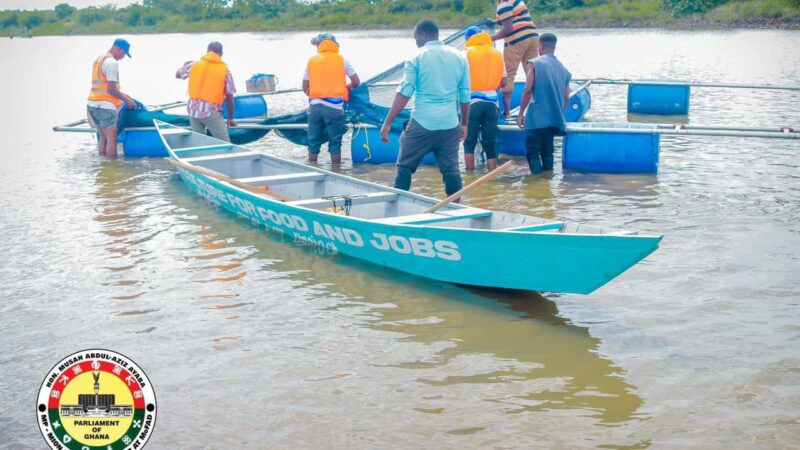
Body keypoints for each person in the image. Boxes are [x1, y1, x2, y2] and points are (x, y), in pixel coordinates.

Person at [380, 19, 470, 197]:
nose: (416, 43)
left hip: (422, 123)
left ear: (423, 35)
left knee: (404, 165)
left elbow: (405, 92)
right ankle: (456, 209)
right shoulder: (460, 57)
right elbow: (465, 96)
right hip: (450, 125)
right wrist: (464, 124)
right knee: (451, 170)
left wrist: (388, 122)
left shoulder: (417, 57)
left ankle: (399, 204)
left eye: (416, 39)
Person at [516, 33, 571, 174]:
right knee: (548, 153)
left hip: (536, 118)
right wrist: (559, 112)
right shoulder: (564, 70)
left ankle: (536, 184)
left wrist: (521, 114)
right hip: (554, 119)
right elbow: (567, 97)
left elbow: (528, 90)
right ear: (554, 46)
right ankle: (547, 184)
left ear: (541, 46)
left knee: (532, 153)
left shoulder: (534, 63)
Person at [303, 33, 360, 164]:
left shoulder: (311, 61)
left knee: (313, 142)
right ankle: (336, 171)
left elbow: (304, 86)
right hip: (335, 108)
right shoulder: (342, 61)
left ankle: (312, 169)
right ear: (335, 45)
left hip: (315, 107)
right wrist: (347, 87)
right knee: (335, 143)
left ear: (319, 45)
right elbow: (356, 81)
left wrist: (316, 97)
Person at [463, 25, 506, 171]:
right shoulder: (497, 54)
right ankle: (491, 178)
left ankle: (469, 177)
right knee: (490, 143)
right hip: (492, 103)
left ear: (469, 39)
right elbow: (504, 82)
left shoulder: (466, 53)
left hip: (473, 102)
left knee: (469, 142)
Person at [175, 41, 237, 142]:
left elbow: (177, 75)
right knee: (224, 141)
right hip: (209, 111)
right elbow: (230, 97)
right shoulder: (225, 70)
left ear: (207, 51)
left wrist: (184, 66)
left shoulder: (194, 64)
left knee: (199, 141)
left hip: (192, 109)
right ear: (221, 54)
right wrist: (230, 118)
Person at [87, 38, 137, 158]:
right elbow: (111, 89)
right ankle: (112, 167)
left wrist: (124, 95)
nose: (123, 57)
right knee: (112, 139)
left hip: (92, 104)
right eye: (124, 54)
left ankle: (104, 164)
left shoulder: (99, 59)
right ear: (119, 49)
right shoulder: (112, 63)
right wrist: (127, 100)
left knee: (102, 136)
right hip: (105, 106)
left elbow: (104, 85)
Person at [492, 0, 539, 120]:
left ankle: (506, 113)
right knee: (533, 72)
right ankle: (537, 108)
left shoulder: (503, 2)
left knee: (509, 74)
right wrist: (494, 21)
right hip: (533, 37)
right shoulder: (515, 1)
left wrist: (490, 38)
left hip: (517, 40)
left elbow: (508, 29)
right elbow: (514, 19)